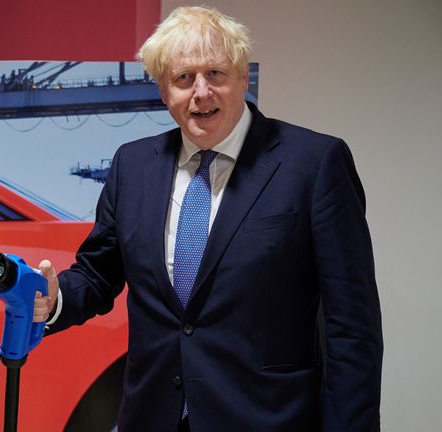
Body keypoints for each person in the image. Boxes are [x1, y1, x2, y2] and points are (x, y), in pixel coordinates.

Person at [32, 6, 383, 432]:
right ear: (164, 92)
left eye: (215, 73)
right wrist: (54, 300)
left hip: (269, 419)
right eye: (183, 79)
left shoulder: (313, 163)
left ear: (242, 78)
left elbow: (353, 328)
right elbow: (98, 273)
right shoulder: (132, 165)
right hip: (151, 416)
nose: (201, 92)